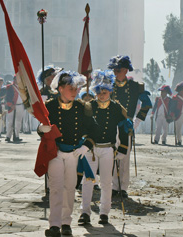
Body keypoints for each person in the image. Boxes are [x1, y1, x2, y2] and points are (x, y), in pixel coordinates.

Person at [37, 70, 98, 237]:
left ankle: (66, 222)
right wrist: (41, 129)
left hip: (73, 153)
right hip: (55, 152)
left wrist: (85, 146)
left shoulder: (81, 108)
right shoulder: (49, 106)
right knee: (56, 188)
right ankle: (54, 225)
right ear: (60, 88)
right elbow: (41, 128)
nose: (75, 92)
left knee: (70, 188)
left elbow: (94, 130)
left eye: (76, 88)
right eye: (71, 88)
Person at [78, 69, 128, 226]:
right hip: (91, 149)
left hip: (108, 149)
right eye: (99, 92)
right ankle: (85, 212)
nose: (101, 95)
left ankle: (104, 213)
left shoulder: (116, 108)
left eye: (104, 92)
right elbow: (82, 127)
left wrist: (123, 149)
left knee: (106, 182)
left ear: (110, 92)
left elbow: (124, 128)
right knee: (88, 181)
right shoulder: (89, 106)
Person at [107, 55, 151, 196]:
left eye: (118, 70)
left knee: (124, 157)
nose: (115, 73)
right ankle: (114, 186)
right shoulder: (108, 85)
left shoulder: (135, 87)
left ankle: (123, 187)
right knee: (112, 155)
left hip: (127, 126)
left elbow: (147, 104)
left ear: (126, 70)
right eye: (114, 70)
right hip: (111, 126)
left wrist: (136, 122)